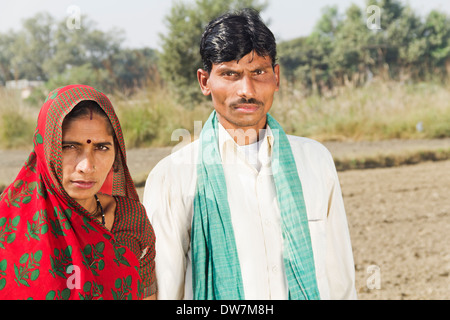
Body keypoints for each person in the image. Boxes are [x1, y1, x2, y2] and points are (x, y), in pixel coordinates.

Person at [143, 9, 357, 300]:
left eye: (258, 72)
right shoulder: (173, 176)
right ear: (204, 81)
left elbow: (340, 280)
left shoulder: (315, 161)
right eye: (230, 74)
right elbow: (168, 290)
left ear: (276, 76)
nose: (247, 89)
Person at [0, 84, 156, 300]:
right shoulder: (7, 225)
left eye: (101, 147)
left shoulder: (130, 218)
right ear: (45, 149)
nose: (86, 166)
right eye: (69, 147)